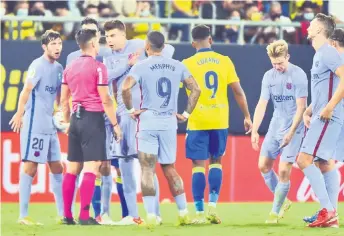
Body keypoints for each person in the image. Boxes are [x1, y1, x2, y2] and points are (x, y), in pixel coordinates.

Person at [121, 31, 201, 228]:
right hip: (168, 122)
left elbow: (125, 88)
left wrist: (131, 110)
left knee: (147, 169)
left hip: (147, 121)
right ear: (163, 47)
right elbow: (196, 89)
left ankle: (151, 216)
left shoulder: (141, 66)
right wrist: (186, 114)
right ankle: (183, 213)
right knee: (169, 168)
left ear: (148, 47)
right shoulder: (178, 65)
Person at [102, 19, 175, 225]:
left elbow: (167, 50)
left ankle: (155, 214)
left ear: (124, 35)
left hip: (144, 116)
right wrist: (128, 63)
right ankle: (133, 216)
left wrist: (144, 59)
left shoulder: (138, 45)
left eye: (113, 35)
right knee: (125, 166)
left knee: (147, 166)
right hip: (123, 116)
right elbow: (106, 78)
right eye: (107, 37)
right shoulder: (108, 58)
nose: (110, 40)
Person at [182, 25, 252, 224]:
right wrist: (247, 116)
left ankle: (198, 213)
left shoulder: (187, 63)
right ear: (211, 40)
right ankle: (213, 207)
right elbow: (238, 92)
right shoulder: (224, 61)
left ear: (193, 43)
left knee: (197, 165)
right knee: (216, 161)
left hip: (197, 120)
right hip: (220, 119)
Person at [65, 17, 124, 223]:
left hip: (75, 118)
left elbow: (64, 99)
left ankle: (67, 215)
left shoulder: (70, 67)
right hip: (92, 119)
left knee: (72, 168)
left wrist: (66, 120)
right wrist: (115, 125)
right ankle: (84, 215)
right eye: (98, 41)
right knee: (92, 167)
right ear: (91, 44)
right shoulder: (99, 67)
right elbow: (106, 99)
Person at [9, 30, 64, 225]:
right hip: (35, 123)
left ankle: (62, 214)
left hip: (49, 125)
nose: (57, 47)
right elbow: (26, 91)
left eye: (59, 43)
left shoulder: (59, 68)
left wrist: (62, 112)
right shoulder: (37, 65)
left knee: (57, 166)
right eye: (53, 44)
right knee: (31, 167)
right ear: (44, 47)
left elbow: (58, 95)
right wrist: (19, 113)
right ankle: (23, 216)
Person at [251, 40, 308, 224]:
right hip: (275, 125)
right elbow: (262, 103)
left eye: (280, 63)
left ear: (288, 57)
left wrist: (291, 132)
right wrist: (255, 129)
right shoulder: (269, 76)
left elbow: (301, 108)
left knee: (284, 170)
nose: (278, 66)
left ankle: (274, 213)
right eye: (274, 63)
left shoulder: (298, 75)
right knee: (263, 166)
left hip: (294, 127)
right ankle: (283, 201)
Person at [297, 13, 344, 228]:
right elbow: (324, 87)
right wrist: (309, 109)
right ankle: (330, 216)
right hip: (321, 113)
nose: (308, 27)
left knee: (303, 159)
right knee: (324, 163)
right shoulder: (320, 54)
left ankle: (328, 210)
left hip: (328, 116)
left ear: (320, 30)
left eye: (312, 24)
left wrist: (329, 107)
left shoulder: (327, 53)